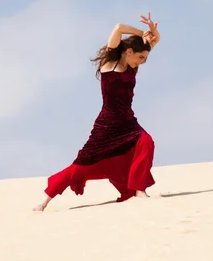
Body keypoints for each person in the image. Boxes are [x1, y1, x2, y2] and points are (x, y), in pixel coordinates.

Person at [32, 12, 161, 211]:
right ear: (128, 51)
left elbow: (155, 41)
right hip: (107, 125)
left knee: (146, 141)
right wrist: (140, 33)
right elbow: (118, 27)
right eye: (141, 57)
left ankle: (139, 190)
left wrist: (153, 34)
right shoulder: (110, 64)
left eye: (145, 58)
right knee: (82, 165)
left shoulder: (132, 66)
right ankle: (45, 201)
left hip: (128, 122)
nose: (143, 61)